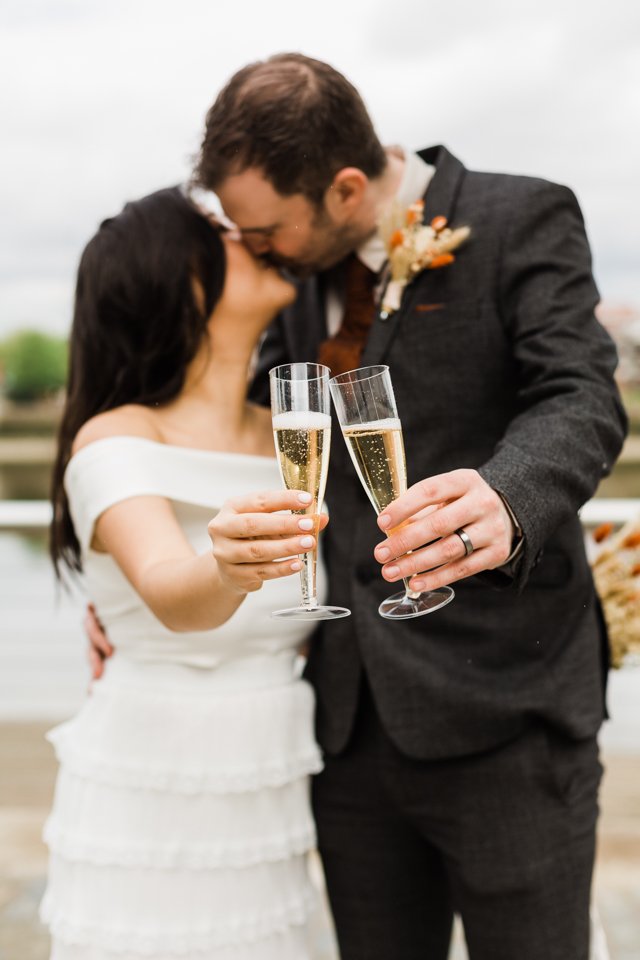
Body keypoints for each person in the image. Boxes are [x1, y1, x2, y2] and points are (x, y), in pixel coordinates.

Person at [88, 55, 627, 959]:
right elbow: (214, 431)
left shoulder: (519, 215)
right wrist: (129, 599)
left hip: (507, 714)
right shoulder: (293, 273)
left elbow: (581, 394)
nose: (256, 249)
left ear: (344, 189)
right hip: (343, 728)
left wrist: (509, 492)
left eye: (267, 230)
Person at [44, 185, 337, 959]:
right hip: (153, 777)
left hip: (271, 776)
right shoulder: (114, 438)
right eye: (221, 231)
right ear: (182, 279)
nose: (250, 234)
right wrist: (231, 566)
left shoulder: (293, 430)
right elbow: (174, 592)